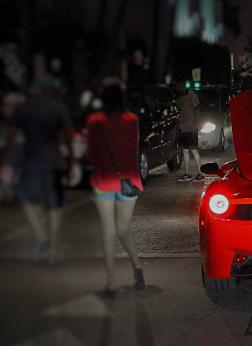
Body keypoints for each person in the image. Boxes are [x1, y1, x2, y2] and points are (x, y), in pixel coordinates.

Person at [0, 75, 80, 263]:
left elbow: (13, 137)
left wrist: (6, 163)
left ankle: (41, 235)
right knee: (55, 207)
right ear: (49, 90)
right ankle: (53, 251)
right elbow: (67, 136)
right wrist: (72, 161)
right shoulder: (58, 108)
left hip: (32, 163)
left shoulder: (23, 109)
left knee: (25, 198)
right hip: (54, 163)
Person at [87, 81, 145, 296]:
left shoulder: (96, 122)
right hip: (128, 180)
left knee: (108, 231)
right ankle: (137, 267)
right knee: (124, 228)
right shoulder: (131, 120)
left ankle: (112, 282)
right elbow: (134, 150)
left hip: (104, 180)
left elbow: (91, 154)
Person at [175, 81, 203, 182]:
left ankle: (200, 173)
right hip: (184, 128)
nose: (177, 88)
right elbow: (176, 105)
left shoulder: (191, 94)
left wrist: (197, 124)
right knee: (185, 150)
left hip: (191, 127)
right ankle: (187, 173)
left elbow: (197, 110)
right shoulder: (181, 97)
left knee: (193, 149)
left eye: (178, 86)